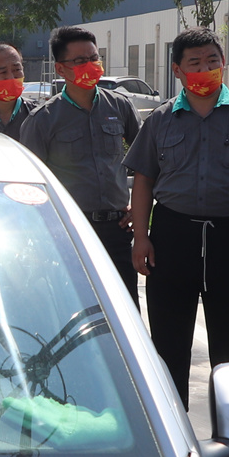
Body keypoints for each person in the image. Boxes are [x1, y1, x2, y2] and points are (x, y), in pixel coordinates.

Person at [122, 26, 229, 407]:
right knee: (168, 339)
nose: (204, 68)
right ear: (177, 70)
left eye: (212, 60)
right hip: (173, 235)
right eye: (194, 62)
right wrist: (141, 237)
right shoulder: (161, 120)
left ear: (224, 63)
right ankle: (174, 425)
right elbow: (144, 181)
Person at [20, 26, 142, 302]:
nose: (90, 66)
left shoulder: (120, 107)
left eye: (94, 58)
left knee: (124, 309)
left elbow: (147, 160)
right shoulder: (43, 120)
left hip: (116, 230)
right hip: (69, 233)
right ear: (61, 70)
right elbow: (29, 184)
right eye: (80, 61)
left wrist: (140, 207)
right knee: (76, 309)